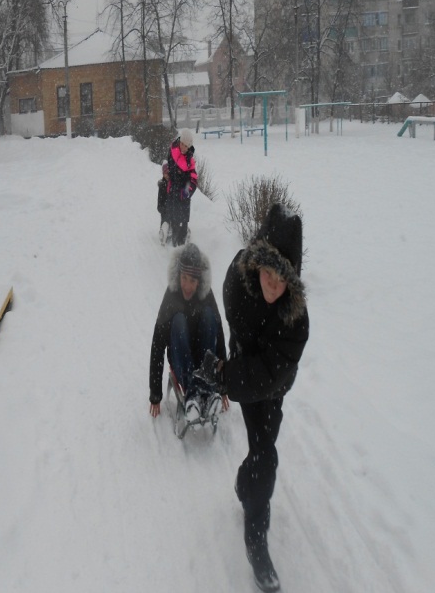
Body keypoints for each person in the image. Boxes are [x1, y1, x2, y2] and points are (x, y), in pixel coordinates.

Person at [193, 203, 309, 592]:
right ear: (257, 262)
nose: (273, 286)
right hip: (244, 366)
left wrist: (226, 378)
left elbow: (270, 375)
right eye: (269, 273)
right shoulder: (236, 281)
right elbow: (234, 328)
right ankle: (253, 519)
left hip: (271, 386)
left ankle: (250, 506)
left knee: (264, 451)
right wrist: (229, 365)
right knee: (264, 455)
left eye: (283, 280)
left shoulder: (296, 321)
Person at [148, 243, 229, 423]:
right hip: (179, 358)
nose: (187, 285)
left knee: (209, 316)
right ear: (179, 276)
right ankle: (194, 395)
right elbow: (157, 345)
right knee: (178, 321)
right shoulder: (171, 296)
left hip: (204, 361)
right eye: (184, 278)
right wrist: (155, 394)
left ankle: (207, 390)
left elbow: (219, 337)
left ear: (199, 282)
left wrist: (223, 386)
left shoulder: (206, 295)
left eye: (192, 281)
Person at [164, 128, 198, 247]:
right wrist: (166, 170)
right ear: (179, 141)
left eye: (186, 146)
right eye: (182, 144)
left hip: (183, 194)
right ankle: (174, 241)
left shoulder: (190, 161)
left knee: (183, 219)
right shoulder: (173, 150)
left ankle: (183, 241)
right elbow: (167, 163)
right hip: (172, 189)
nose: (183, 147)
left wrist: (187, 191)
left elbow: (193, 178)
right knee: (174, 218)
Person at [157, 160, 171, 244]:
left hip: (171, 206)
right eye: (165, 173)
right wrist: (160, 207)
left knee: (172, 220)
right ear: (163, 173)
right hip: (164, 207)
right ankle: (162, 232)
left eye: (168, 173)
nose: (167, 175)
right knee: (164, 220)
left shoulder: (173, 183)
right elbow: (160, 198)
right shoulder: (162, 184)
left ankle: (170, 232)